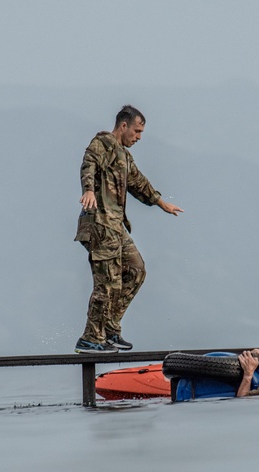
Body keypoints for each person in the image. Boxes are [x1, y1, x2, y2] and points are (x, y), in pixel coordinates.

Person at [74, 105, 184, 354]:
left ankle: (110, 329)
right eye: (136, 131)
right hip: (99, 225)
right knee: (107, 284)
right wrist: (88, 190)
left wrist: (160, 202)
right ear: (123, 126)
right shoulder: (102, 143)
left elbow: (137, 181)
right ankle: (91, 337)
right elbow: (88, 164)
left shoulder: (123, 156)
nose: (139, 137)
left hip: (116, 228)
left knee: (136, 270)